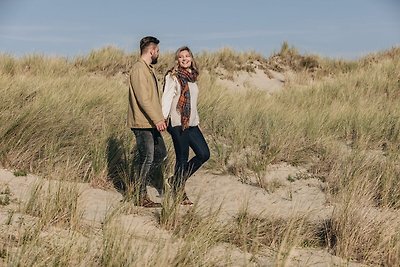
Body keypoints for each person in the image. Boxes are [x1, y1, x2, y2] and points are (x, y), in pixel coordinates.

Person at [162, 46, 210, 205]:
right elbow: (167, 98)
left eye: (187, 56)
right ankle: (179, 191)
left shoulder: (192, 77)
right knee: (182, 158)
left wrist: (197, 121)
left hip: (192, 123)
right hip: (177, 122)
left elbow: (193, 104)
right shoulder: (172, 76)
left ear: (191, 58)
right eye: (181, 57)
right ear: (177, 59)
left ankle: (175, 180)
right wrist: (162, 119)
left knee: (204, 154)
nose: (184, 59)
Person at [127, 36, 167, 208]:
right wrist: (157, 118)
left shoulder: (148, 69)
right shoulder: (139, 69)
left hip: (151, 123)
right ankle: (139, 194)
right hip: (142, 122)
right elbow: (143, 99)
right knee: (147, 158)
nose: (158, 53)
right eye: (157, 51)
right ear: (151, 51)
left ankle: (137, 182)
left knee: (160, 154)